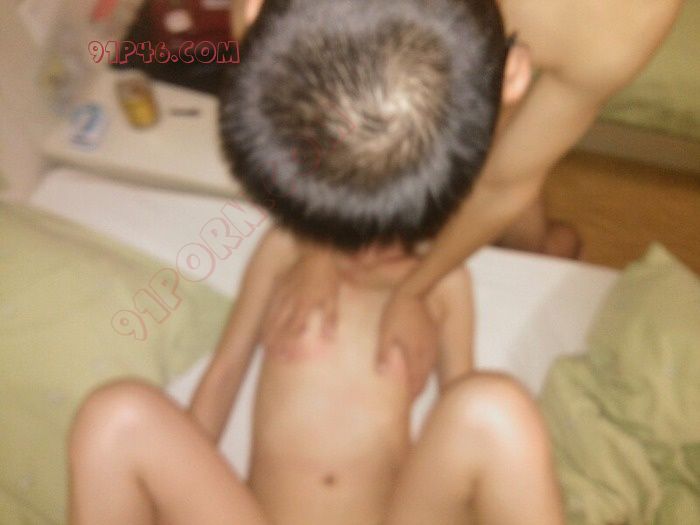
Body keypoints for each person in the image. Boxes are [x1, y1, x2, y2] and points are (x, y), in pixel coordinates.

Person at [68, 1, 564, 523]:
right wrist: (179, 491)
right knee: (115, 418)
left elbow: (456, 420)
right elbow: (225, 373)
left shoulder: (443, 282)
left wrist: (411, 291)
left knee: (494, 409)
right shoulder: (284, 248)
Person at [232, 0, 686, 394]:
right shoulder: (271, 20)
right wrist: (317, 250)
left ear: (510, 76)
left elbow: (503, 185)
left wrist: (414, 290)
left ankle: (542, 247)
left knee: (519, 201)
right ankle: (544, 246)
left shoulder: (615, 24)